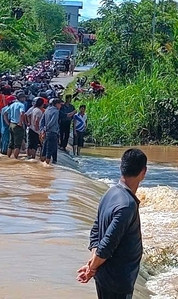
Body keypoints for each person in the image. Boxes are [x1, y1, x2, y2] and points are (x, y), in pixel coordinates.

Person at [77, 148, 147, 299]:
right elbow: (108, 243)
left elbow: (95, 230)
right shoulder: (127, 205)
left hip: (105, 276)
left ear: (121, 167)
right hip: (117, 281)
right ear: (143, 172)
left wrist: (93, 263)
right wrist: (91, 268)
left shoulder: (111, 192)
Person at [3, 94, 26, 159]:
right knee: (17, 145)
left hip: (11, 124)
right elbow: (22, 113)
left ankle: (8, 158)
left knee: (11, 143)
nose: (24, 99)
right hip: (17, 125)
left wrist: (8, 123)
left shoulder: (12, 105)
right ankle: (15, 159)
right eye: (24, 97)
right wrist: (20, 122)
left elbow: (5, 114)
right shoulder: (21, 105)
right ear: (21, 98)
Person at [40, 98, 62, 165]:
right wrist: (46, 128)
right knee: (49, 150)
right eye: (60, 104)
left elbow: (42, 121)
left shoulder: (47, 110)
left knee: (44, 148)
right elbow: (52, 121)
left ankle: (41, 165)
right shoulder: (56, 111)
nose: (60, 106)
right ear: (56, 104)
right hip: (52, 132)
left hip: (46, 132)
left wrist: (43, 130)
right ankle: (46, 167)